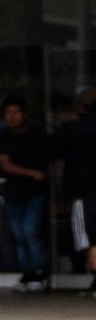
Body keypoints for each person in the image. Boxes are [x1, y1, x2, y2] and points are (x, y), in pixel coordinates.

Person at [0, 96, 54, 291]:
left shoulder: (38, 135)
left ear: (24, 114)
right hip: (13, 193)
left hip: (34, 193)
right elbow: (4, 164)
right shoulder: (2, 137)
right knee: (19, 235)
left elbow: (51, 160)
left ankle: (40, 271)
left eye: (16, 112)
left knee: (30, 231)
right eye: (7, 113)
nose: (11, 117)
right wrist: (31, 173)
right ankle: (28, 272)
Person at [53, 92, 96, 294]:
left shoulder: (71, 130)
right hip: (85, 190)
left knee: (90, 236)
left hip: (85, 191)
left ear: (79, 108)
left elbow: (53, 155)